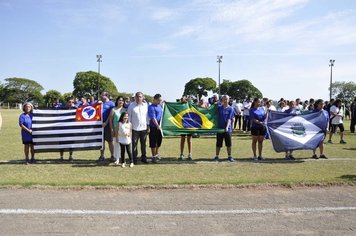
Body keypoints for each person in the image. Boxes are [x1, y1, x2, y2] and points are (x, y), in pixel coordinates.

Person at [127, 91, 149, 164]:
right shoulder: (131, 106)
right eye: (138, 97)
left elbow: (147, 117)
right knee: (134, 144)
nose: (139, 98)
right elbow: (129, 117)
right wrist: (129, 128)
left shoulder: (146, 105)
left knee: (143, 144)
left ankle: (144, 157)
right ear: (135, 97)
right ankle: (134, 159)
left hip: (144, 128)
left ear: (143, 97)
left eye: (140, 97)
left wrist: (148, 126)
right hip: (134, 129)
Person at [213, 95, 235, 162]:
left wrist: (227, 127)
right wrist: (214, 105)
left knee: (228, 143)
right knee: (218, 143)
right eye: (224, 99)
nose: (225, 100)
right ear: (222, 100)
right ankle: (216, 156)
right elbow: (212, 111)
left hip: (227, 129)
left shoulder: (231, 109)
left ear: (228, 100)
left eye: (226, 99)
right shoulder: (219, 108)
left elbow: (229, 119)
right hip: (219, 129)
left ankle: (229, 156)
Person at [98, 92, 115, 162]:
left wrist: (106, 122)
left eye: (102, 95)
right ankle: (102, 156)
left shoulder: (111, 104)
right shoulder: (99, 103)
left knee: (110, 141)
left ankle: (112, 156)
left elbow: (111, 115)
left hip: (108, 125)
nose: (101, 96)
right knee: (101, 142)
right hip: (100, 125)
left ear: (106, 96)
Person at [59, 96, 76, 161]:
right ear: (66, 102)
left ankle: (70, 156)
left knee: (71, 143)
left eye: (72, 102)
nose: (71, 103)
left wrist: (76, 107)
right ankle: (61, 157)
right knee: (62, 143)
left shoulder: (74, 109)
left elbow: (81, 111)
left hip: (71, 129)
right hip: (62, 129)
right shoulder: (62, 109)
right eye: (69, 102)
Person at [148, 94, 163, 163]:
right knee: (153, 142)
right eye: (159, 100)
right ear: (155, 99)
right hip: (154, 127)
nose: (160, 101)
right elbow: (153, 117)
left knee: (159, 141)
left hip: (160, 127)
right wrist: (157, 125)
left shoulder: (160, 106)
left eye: (160, 100)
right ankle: (153, 156)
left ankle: (156, 154)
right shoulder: (151, 107)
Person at [111, 96, 126, 162]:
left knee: (123, 144)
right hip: (115, 129)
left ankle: (123, 158)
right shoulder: (113, 109)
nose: (121, 102)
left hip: (123, 129)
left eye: (122, 100)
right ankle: (117, 158)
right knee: (116, 144)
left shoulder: (125, 110)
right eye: (119, 100)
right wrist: (112, 129)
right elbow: (110, 120)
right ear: (117, 101)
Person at [179, 96, 193, 161]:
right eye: (182, 99)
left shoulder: (190, 105)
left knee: (189, 140)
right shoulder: (180, 106)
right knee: (182, 140)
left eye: (185, 99)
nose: (184, 100)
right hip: (182, 125)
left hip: (189, 125)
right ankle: (181, 154)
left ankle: (190, 154)